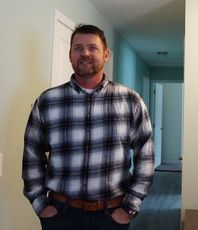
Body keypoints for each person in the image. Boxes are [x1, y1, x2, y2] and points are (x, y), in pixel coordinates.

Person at [22, 24, 154, 230]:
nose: (84, 53)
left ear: (106, 54)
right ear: (70, 55)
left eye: (92, 47)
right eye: (78, 48)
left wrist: (130, 207)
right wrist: (40, 204)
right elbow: (32, 155)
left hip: (112, 215)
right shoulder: (47, 101)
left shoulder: (131, 101)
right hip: (60, 215)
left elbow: (145, 157)